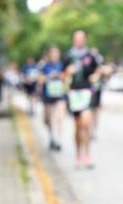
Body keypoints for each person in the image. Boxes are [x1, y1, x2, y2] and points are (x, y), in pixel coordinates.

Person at [64, 30, 103, 168]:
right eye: (77, 38)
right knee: (78, 126)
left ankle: (88, 155)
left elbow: (99, 69)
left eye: (82, 38)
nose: (79, 41)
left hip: (87, 92)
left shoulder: (91, 56)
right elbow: (62, 76)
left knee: (86, 124)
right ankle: (78, 155)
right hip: (74, 93)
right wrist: (67, 73)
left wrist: (96, 75)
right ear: (73, 40)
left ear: (85, 40)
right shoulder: (68, 56)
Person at [39, 47, 66, 151]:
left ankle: (59, 140)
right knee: (48, 119)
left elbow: (67, 77)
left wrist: (61, 76)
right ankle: (51, 137)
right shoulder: (45, 66)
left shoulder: (62, 65)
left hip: (60, 94)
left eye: (56, 53)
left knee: (60, 117)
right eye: (52, 53)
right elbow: (40, 79)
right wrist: (49, 77)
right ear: (49, 55)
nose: (54, 55)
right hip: (48, 95)